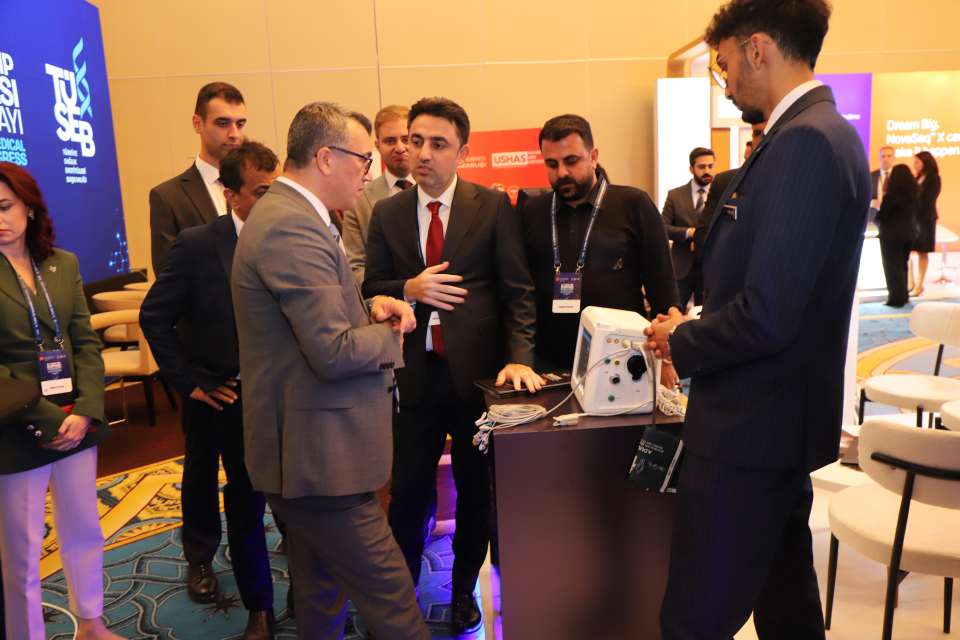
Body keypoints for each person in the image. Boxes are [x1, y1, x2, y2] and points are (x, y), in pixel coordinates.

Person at [644, 1, 871, 638]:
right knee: (786, 608)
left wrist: (681, 337)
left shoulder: (805, 141)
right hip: (773, 423)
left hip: (749, 428)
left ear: (757, 49)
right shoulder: (811, 133)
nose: (724, 84)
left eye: (723, 66)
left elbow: (767, 315)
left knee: (693, 619)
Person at [232, 102, 429, 640]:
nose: (370, 172)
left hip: (313, 453)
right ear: (325, 158)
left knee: (320, 592)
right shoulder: (290, 226)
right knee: (393, 601)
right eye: (364, 159)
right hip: (319, 463)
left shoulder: (296, 215)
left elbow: (318, 321)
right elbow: (333, 351)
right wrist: (392, 333)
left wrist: (370, 309)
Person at [363, 96, 541, 636]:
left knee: (475, 490)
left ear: (462, 152)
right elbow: (371, 286)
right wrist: (408, 289)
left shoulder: (492, 206)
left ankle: (463, 588)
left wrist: (519, 360)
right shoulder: (388, 212)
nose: (422, 153)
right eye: (415, 141)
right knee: (408, 493)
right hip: (414, 376)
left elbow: (518, 292)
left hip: (478, 379)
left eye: (437, 144)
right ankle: (400, 594)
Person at [139, 141, 281, 639]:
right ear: (231, 195)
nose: (272, 201)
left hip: (282, 393)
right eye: (261, 192)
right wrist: (188, 382)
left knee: (286, 493)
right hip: (223, 396)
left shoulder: (291, 237)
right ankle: (257, 605)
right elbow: (155, 316)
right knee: (237, 497)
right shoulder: (198, 243)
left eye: (277, 189)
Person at [0, 163, 122, 640]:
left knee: (84, 529)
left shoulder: (62, 263)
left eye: (5, 207)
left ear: (29, 208)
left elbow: (85, 342)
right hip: (17, 423)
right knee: (22, 551)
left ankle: (91, 623)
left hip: (76, 419)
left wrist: (87, 409)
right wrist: (48, 418)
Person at [518, 114, 679, 389]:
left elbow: (662, 290)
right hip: (546, 366)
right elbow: (520, 291)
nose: (562, 172)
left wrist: (667, 360)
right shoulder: (531, 212)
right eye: (552, 164)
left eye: (571, 161)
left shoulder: (633, 204)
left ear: (593, 157)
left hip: (622, 361)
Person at [150, 82, 246, 275]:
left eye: (240, 124)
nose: (234, 134)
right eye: (222, 123)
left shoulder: (259, 188)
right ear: (197, 124)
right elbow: (169, 281)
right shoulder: (168, 198)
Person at [342, 105, 416, 287]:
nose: (400, 148)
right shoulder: (358, 199)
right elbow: (354, 266)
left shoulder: (437, 190)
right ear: (378, 146)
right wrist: (390, 295)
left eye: (406, 139)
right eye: (390, 141)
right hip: (384, 299)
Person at [693, 121, 764, 255]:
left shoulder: (791, 180)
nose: (763, 139)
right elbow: (702, 237)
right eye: (757, 134)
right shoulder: (725, 182)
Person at [662, 147, 715, 310]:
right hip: (681, 268)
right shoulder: (675, 195)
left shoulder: (721, 194)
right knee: (672, 312)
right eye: (702, 167)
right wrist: (689, 233)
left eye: (711, 166)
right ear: (691, 169)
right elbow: (663, 228)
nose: (707, 171)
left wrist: (703, 237)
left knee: (705, 317)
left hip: (709, 268)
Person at [876, 164, 919, 308]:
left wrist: (876, 221)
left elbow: (882, 217)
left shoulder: (891, 196)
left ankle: (896, 299)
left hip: (891, 236)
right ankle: (903, 296)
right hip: (909, 234)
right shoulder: (914, 195)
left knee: (892, 268)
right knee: (902, 266)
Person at [909, 150, 941, 297]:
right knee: (907, 251)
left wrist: (913, 211)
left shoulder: (934, 178)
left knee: (923, 251)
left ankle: (919, 284)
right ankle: (911, 283)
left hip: (926, 220)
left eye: (917, 163)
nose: (914, 165)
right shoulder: (917, 178)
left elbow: (929, 200)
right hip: (913, 220)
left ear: (925, 162)